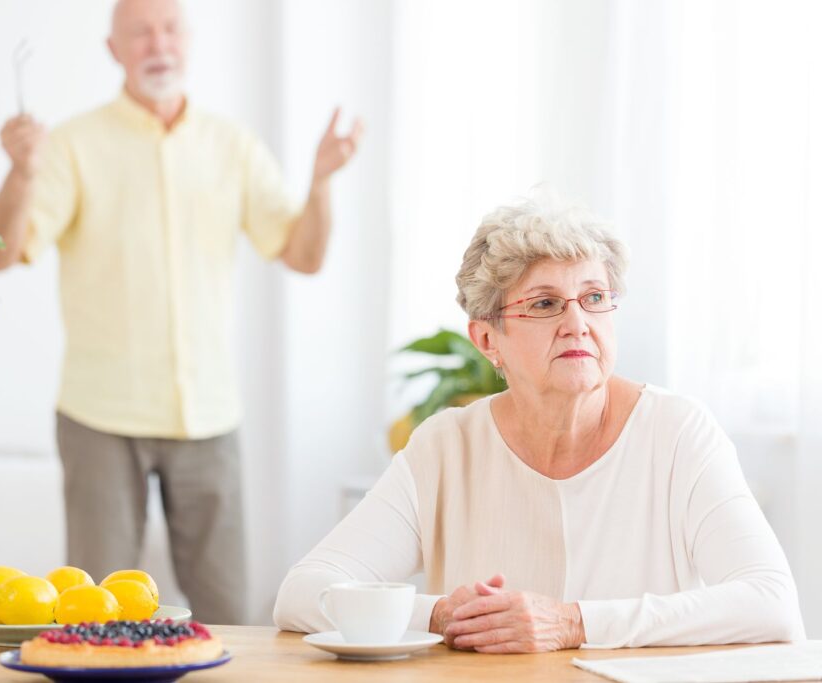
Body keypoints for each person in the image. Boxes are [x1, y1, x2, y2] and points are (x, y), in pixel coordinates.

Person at [273, 193, 804, 650]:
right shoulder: (445, 446)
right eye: (547, 303)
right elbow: (302, 595)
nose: (578, 324)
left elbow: (771, 603)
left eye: (594, 298)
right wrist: (439, 616)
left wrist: (573, 623)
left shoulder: (679, 432)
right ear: (487, 339)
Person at [0, 0, 363, 625]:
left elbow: (303, 254)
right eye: (139, 32)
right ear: (113, 50)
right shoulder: (72, 144)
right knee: (93, 617)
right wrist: (21, 174)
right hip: (100, 416)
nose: (158, 43)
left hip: (209, 416)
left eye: (170, 29)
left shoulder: (232, 144)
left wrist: (320, 182)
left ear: (188, 41)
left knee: (226, 615)